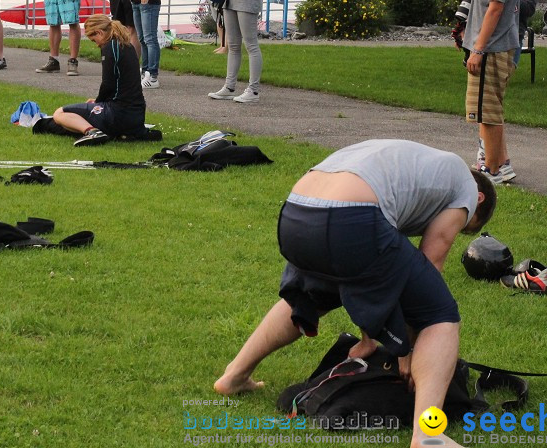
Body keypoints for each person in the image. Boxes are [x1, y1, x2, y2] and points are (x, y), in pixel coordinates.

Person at [213, 139, 497, 448]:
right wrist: (408, 351)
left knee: (309, 297)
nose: (459, 229)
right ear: (478, 199)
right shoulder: (465, 189)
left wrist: (368, 340)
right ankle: (427, 436)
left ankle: (234, 376)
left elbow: (374, 275)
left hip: (297, 211)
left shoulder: (420, 167)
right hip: (352, 216)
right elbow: (430, 262)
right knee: (439, 315)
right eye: (466, 226)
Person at [465, 0, 520, 185]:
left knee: (488, 112)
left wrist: (477, 48)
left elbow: (495, 7)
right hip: (496, 45)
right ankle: (502, 163)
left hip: (492, 47)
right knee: (490, 109)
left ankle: (494, 170)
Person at [52, 14, 147, 146]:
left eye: (94, 40)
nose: (96, 45)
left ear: (100, 32)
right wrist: (98, 102)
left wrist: (98, 102)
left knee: (60, 113)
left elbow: (108, 84)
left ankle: (92, 132)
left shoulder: (109, 47)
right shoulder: (128, 46)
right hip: (136, 114)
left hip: (118, 113)